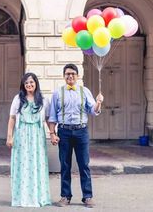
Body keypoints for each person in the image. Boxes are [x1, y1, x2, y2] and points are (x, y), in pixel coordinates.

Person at [48, 63, 103, 209]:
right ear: (64, 76)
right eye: (67, 74)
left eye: (73, 73)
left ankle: (87, 196)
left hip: (81, 132)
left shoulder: (84, 91)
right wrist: (52, 134)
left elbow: (93, 111)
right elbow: (52, 116)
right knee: (64, 165)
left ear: (77, 76)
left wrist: (98, 103)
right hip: (64, 132)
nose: (70, 76)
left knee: (84, 164)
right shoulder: (57, 93)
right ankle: (65, 196)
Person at [6, 72, 51, 207]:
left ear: (36, 83)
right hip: (21, 135)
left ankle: (38, 197)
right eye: (26, 83)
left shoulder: (43, 100)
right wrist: (10, 137)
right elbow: (12, 118)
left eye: (31, 82)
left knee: (37, 164)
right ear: (23, 85)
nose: (29, 85)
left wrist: (53, 134)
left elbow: (48, 119)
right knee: (22, 164)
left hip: (37, 136)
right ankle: (22, 197)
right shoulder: (18, 99)